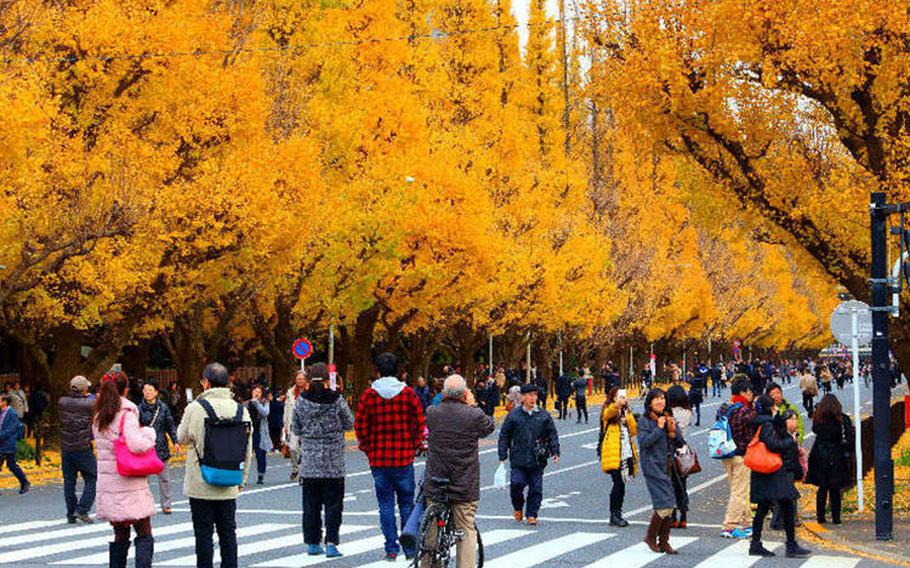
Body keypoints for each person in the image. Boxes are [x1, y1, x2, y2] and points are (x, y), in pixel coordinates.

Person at [177, 362, 252, 568]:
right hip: (229, 481)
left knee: (203, 535)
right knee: (228, 533)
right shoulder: (241, 410)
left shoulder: (195, 408)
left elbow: (181, 437)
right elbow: (247, 448)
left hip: (201, 482)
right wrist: (242, 479)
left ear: (206, 383)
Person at [355, 352, 426, 561]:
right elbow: (419, 424)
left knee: (385, 504)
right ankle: (410, 548)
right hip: (403, 457)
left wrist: (368, 447)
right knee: (406, 503)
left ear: (377, 371)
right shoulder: (408, 394)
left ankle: (391, 548)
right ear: (398, 370)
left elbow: (360, 425)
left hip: (379, 459)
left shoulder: (369, 395)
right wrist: (412, 446)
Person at [423, 375, 495, 568]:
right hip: (463, 481)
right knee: (465, 528)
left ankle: (428, 562)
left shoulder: (432, 412)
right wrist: (472, 405)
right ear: (465, 393)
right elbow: (489, 426)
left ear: (444, 393)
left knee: (431, 529)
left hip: (436, 479)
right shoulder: (474, 415)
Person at [92, 372, 157, 568]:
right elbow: (136, 444)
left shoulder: (99, 416)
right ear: (125, 390)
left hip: (109, 482)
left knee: (120, 533)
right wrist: (149, 433)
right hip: (129, 480)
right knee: (144, 531)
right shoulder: (126, 413)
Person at [291, 363, 355, 558]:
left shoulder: (301, 401)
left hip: (310, 461)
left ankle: (312, 543)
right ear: (328, 378)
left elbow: (296, 428)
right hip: (333, 462)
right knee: (333, 505)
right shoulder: (337, 400)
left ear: (309, 378)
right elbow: (349, 423)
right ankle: (331, 543)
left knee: (311, 505)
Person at [748, 396, 812, 558]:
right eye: (774, 406)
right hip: (773, 471)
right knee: (786, 504)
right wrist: (790, 442)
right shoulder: (767, 424)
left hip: (763, 471)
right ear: (770, 407)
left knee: (764, 507)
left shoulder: (758, 421)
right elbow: (773, 445)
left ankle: (757, 544)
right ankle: (790, 545)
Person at [497, 384, 560, 526]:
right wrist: (502, 454)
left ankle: (532, 514)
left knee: (536, 488)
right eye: (529, 395)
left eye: (535, 395)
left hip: (537, 459)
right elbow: (504, 435)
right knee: (516, 484)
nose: (533, 398)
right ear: (522, 397)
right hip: (518, 459)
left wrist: (555, 451)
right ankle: (518, 507)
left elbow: (552, 434)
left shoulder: (543, 415)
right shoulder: (514, 415)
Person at [637, 388, 684, 554]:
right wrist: (659, 428)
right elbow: (643, 443)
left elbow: (680, 442)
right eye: (656, 399)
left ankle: (664, 541)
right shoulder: (645, 421)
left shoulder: (667, 417)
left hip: (668, 466)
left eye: (662, 398)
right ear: (649, 402)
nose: (660, 401)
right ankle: (651, 537)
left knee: (670, 505)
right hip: (652, 466)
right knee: (664, 504)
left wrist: (673, 428)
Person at [807, 394, 855, 525]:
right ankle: (836, 517)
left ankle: (820, 516)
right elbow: (849, 438)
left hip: (820, 454)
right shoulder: (842, 419)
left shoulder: (818, 419)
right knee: (835, 488)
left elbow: (815, 430)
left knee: (822, 487)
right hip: (836, 454)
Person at [720, 375, 757, 539]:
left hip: (726, 453)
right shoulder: (745, 411)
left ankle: (748, 523)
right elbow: (750, 433)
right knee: (739, 492)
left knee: (740, 490)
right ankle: (729, 526)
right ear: (744, 392)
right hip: (741, 455)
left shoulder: (724, 407)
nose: (752, 395)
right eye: (750, 392)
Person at [597, 387, 638, 527]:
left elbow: (634, 431)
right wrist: (617, 406)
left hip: (626, 452)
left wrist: (628, 416)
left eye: (624, 397)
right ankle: (614, 515)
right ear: (614, 398)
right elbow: (607, 415)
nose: (623, 399)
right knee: (618, 483)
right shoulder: (608, 410)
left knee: (622, 484)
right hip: (614, 452)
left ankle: (617, 513)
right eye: (620, 397)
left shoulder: (626, 412)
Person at [59, 376, 97, 522]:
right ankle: (82, 509)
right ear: (85, 389)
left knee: (69, 481)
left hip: (66, 447)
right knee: (92, 478)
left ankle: (70, 514)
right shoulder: (90, 403)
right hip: (83, 446)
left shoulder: (62, 402)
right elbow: (94, 401)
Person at [139, 380, 179, 514]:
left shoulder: (163, 408)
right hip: (145, 448)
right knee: (144, 480)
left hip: (161, 446)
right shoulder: (138, 409)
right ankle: (145, 505)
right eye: (145, 390)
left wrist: (175, 441)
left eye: (150, 390)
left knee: (165, 479)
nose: (147, 393)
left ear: (156, 392)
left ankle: (166, 504)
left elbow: (170, 425)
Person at [666, 385, 692, 528]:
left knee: (671, 484)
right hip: (684, 451)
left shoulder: (669, 414)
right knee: (682, 485)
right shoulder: (688, 412)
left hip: (671, 451)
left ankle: (673, 517)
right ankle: (684, 517)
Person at [0, 393, 29, 494]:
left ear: (5, 402)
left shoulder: (12, 413)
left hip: (8, 443)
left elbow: (11, 429)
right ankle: (24, 482)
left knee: (11, 465)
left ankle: (24, 482)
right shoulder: (1, 412)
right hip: (2, 443)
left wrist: (1, 435)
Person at [283, 371, 308, 481]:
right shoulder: (291, 393)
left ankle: (304, 472)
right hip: (293, 424)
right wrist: (285, 425)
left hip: (307, 425)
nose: (300, 381)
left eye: (302, 379)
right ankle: (295, 468)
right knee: (293, 448)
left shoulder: (310, 391)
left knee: (305, 449)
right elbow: (287, 409)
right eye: (298, 379)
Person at [247, 384, 272, 485]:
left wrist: (257, 403)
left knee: (260, 454)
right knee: (245, 455)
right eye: (255, 391)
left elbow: (265, 413)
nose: (257, 393)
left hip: (260, 432)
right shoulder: (246, 403)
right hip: (248, 432)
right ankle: (241, 476)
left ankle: (260, 474)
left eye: (259, 392)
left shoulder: (265, 402)